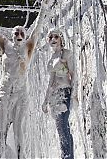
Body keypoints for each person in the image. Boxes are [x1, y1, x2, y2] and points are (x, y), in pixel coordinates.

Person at [0, 0, 46, 158]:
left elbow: (37, 27)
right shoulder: (6, 45)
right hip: (5, 90)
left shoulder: (29, 46)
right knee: (0, 128)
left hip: (21, 92)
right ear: (12, 34)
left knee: (19, 129)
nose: (19, 33)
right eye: (16, 31)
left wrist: (43, 8)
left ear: (25, 34)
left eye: (22, 31)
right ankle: (0, 156)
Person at [42, 29, 78, 159]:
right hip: (54, 96)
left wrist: (73, 95)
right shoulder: (52, 59)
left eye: (56, 36)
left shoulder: (66, 54)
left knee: (63, 126)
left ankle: (67, 156)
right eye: (50, 37)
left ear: (61, 39)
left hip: (64, 93)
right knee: (61, 128)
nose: (53, 39)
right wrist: (45, 100)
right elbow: (50, 82)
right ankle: (67, 156)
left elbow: (74, 75)